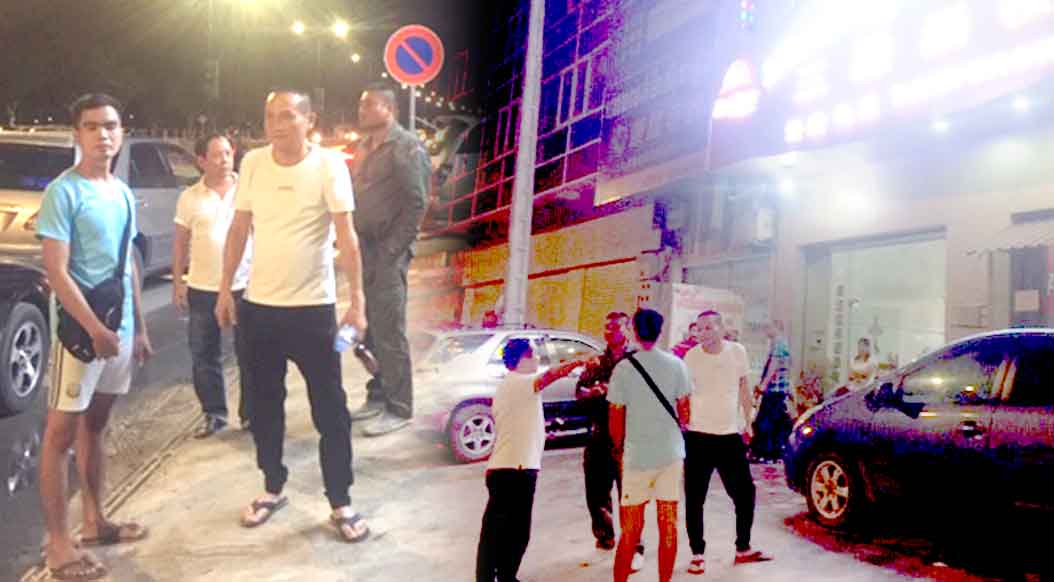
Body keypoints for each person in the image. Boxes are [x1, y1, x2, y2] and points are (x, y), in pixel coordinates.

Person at [215, 89, 369, 543]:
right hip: (259, 309)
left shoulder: (329, 166)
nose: (276, 125)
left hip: (313, 311)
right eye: (269, 117)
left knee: (331, 409)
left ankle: (340, 500)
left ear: (309, 120)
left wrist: (357, 301)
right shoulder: (253, 164)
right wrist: (225, 289)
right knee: (264, 407)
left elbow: (347, 236)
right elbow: (239, 228)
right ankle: (272, 486)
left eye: (286, 116)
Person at [36, 93, 153, 581]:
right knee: (60, 436)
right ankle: (58, 545)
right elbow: (57, 272)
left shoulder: (121, 192)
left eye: (110, 126)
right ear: (77, 134)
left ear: (121, 132)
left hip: (117, 332)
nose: (103, 134)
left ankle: (94, 521)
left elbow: (127, 267)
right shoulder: (63, 193)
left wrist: (138, 327)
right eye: (91, 126)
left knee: (97, 425)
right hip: (80, 336)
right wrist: (96, 330)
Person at [347, 81, 433, 437]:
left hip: (387, 252)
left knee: (389, 330)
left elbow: (417, 203)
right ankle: (378, 394)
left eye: (369, 104)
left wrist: (392, 250)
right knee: (367, 329)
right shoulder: (365, 146)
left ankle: (399, 407)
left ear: (389, 109)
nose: (362, 110)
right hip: (364, 250)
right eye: (361, 104)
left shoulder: (406, 147)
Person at [476, 339, 592, 582]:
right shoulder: (520, 382)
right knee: (514, 532)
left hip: (507, 468)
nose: (538, 359)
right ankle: (501, 577)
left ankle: (498, 576)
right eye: (535, 355)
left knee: (498, 531)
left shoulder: (510, 386)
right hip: (515, 470)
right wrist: (578, 362)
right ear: (523, 359)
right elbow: (550, 375)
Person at [172, 133, 253, 438]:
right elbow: (181, 243)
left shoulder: (248, 191)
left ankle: (251, 415)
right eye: (217, 155)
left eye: (228, 153)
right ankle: (214, 413)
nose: (224, 160)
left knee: (251, 353)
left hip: (245, 285)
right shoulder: (190, 197)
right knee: (204, 354)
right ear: (201, 160)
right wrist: (178, 282)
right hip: (202, 287)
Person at [682, 310, 772, 575]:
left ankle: (743, 548)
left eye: (709, 327)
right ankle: (697, 554)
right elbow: (684, 394)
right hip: (698, 436)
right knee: (695, 498)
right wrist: (683, 422)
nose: (704, 333)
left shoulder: (737, 352)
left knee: (745, 494)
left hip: (729, 436)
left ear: (722, 329)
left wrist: (749, 421)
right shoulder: (691, 357)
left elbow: (744, 387)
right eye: (700, 329)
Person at [608, 309, 692, 582]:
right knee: (668, 525)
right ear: (660, 331)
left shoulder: (623, 368)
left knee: (631, 529)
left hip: (637, 457)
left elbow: (615, 417)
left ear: (634, 331)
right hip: (670, 455)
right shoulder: (677, 365)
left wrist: (619, 449)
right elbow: (685, 415)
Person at [574, 311, 645, 572]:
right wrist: (590, 392)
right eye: (606, 328)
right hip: (599, 434)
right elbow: (579, 392)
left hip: (630, 437)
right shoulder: (597, 362)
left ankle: (635, 548)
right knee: (596, 492)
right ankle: (605, 538)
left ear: (627, 330)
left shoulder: (639, 360)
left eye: (615, 328)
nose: (609, 332)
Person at [751, 320, 793, 463]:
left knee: (766, 421)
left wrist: (763, 384)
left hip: (774, 389)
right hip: (779, 389)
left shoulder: (779, 343)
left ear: (776, 327)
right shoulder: (782, 342)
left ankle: (766, 453)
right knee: (776, 421)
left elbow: (774, 365)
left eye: (768, 327)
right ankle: (774, 453)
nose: (766, 331)